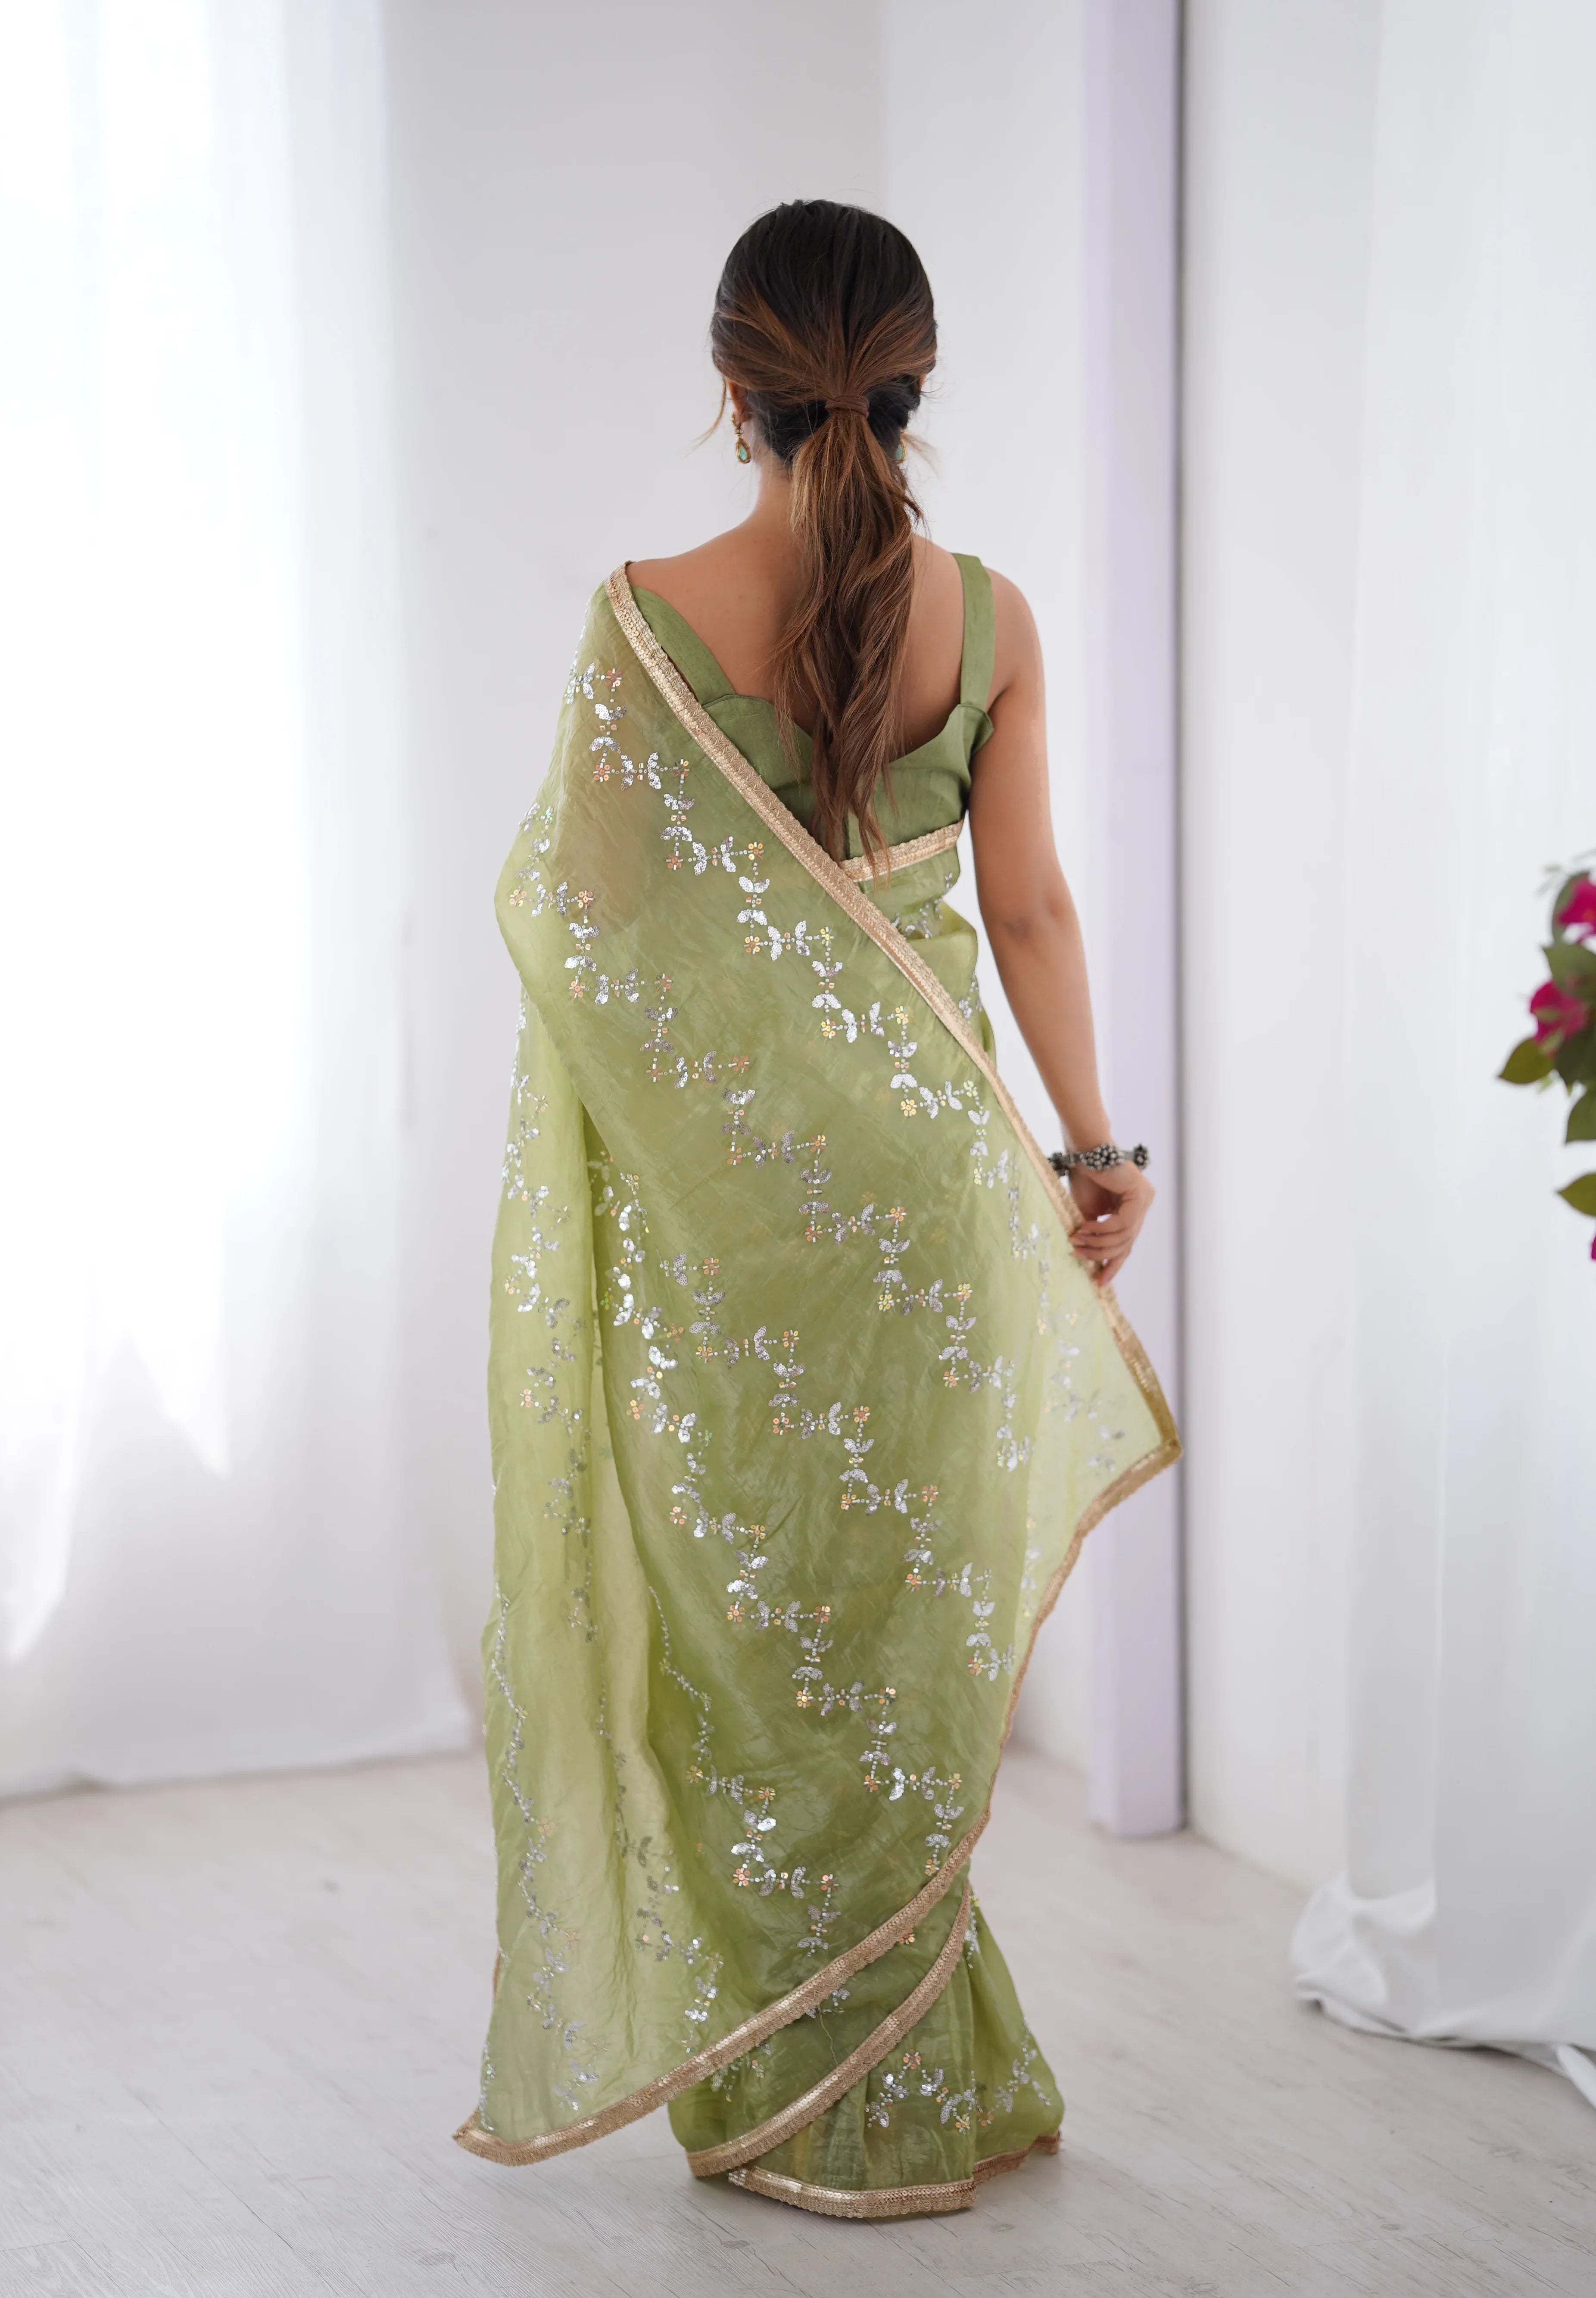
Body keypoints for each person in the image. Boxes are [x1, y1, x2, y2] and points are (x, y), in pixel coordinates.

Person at [455, 200, 1178, 2221]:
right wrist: (1095, 1151)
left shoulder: (645, 616)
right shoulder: (998, 618)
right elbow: (1024, 908)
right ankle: (920, 2065)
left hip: (750, 1215)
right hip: (945, 1194)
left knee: (759, 1637)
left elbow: (589, 933)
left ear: (729, 382)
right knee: (903, 1636)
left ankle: (820, 2085)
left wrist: (742, 1084)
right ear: (919, 379)